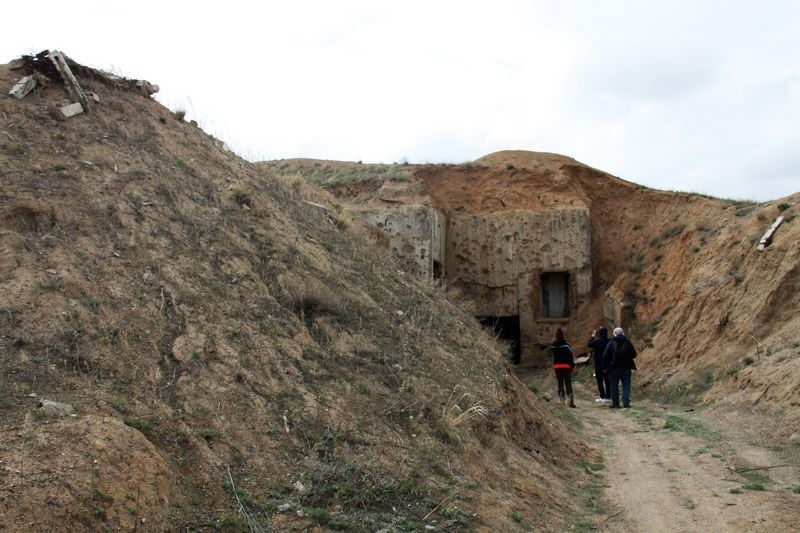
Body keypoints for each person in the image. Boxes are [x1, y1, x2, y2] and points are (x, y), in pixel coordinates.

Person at [602, 327, 638, 408]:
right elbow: (634, 354)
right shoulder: (628, 343)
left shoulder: (611, 343)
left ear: (614, 334)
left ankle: (615, 403)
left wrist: (604, 367)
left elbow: (605, 356)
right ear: (623, 333)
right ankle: (626, 401)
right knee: (626, 385)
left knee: (614, 386)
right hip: (626, 367)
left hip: (613, 368)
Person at [549, 328, 576, 408]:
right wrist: (572, 366)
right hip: (566, 367)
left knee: (560, 384)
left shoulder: (554, 345)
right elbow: (570, 357)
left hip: (557, 367)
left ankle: (562, 401)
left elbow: (550, 350)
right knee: (568, 385)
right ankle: (571, 402)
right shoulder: (566, 345)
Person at [588, 327, 611, 403]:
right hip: (608, 364)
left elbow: (589, 344)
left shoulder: (597, 342)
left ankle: (602, 396)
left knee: (599, 381)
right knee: (607, 381)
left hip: (598, 364)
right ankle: (608, 396)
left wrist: (593, 336)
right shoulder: (610, 341)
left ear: (599, 334)